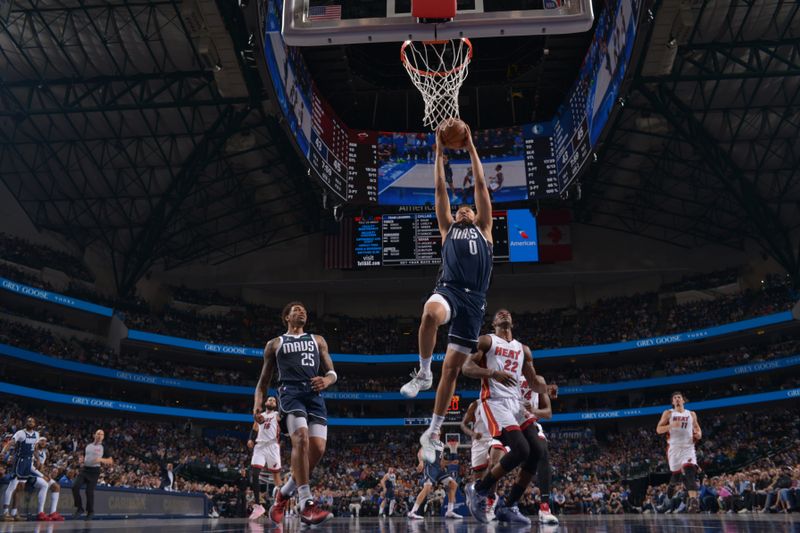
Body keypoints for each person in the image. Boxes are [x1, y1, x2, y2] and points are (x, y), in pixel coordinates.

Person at [399, 121, 496, 463]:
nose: (464, 209)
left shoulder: (485, 229)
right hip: (450, 291)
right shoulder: (447, 229)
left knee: (453, 371)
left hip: (475, 302)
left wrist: (470, 148)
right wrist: (439, 151)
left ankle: (434, 430)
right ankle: (423, 371)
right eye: (460, 209)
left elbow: (481, 184)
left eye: (468, 208)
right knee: (429, 315)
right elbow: (440, 188)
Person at [460, 308, 548, 524]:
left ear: (513, 322)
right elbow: (466, 367)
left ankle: (508, 506)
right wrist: (492, 373)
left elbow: (534, 381)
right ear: (494, 324)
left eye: (507, 313)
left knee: (538, 450)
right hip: (495, 401)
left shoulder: (523, 350)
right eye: (499, 314)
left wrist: (545, 386)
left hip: (516, 404)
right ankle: (478, 490)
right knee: (521, 449)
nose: (504, 314)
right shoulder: (486, 341)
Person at [253, 302, 337, 526]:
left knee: (318, 449)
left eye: (305, 311)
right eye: (296, 310)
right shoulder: (275, 344)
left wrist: (327, 380)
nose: (302, 312)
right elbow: (263, 382)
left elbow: (332, 372)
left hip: (314, 393)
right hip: (290, 393)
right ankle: (306, 503)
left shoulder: (317, 340)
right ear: (286, 317)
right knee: (301, 438)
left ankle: (284, 493)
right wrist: (257, 406)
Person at [518, 375, 559, 525]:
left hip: (530, 425)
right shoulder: (506, 374)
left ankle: (544, 506)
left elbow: (548, 413)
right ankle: (490, 500)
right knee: (496, 457)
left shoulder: (539, 380)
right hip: (508, 423)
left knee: (543, 452)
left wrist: (534, 410)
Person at [461, 399, 506, 520]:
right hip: (479, 442)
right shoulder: (475, 404)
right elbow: (463, 425)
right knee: (479, 482)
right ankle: (477, 498)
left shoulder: (502, 400)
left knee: (495, 464)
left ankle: (492, 498)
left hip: (495, 438)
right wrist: (472, 434)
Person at [656, 391, 702, 508]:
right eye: (675, 398)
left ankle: (693, 500)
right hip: (674, 448)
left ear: (683, 400)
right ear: (672, 402)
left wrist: (698, 434)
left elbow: (697, 429)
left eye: (679, 397)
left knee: (689, 472)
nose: (677, 399)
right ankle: (671, 485)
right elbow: (659, 429)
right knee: (676, 475)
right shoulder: (668, 413)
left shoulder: (691, 414)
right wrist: (671, 425)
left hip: (688, 447)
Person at [247, 396, 282, 520]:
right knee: (255, 474)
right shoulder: (260, 416)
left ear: (276, 404)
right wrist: (251, 439)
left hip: (273, 445)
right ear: (266, 403)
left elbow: (284, 419)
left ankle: (280, 504)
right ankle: (258, 505)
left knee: (277, 478)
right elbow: (254, 428)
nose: (271, 401)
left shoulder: (277, 414)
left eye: (274, 400)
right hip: (260, 445)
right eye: (270, 400)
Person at [1, 417, 39, 521]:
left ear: (35, 424)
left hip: (28, 462)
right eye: (28, 421)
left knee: (21, 487)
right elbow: (10, 443)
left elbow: (34, 448)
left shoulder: (37, 434)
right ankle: (5, 513)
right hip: (19, 461)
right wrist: (3, 452)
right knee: (12, 485)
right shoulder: (20, 433)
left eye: (31, 421)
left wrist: (38, 458)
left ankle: (14, 512)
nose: (29, 422)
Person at [407, 447, 461, 520]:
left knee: (453, 484)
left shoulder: (441, 445)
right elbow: (420, 452)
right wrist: (421, 462)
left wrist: (450, 462)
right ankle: (412, 512)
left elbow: (441, 463)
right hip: (430, 468)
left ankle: (449, 511)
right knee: (427, 488)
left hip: (439, 470)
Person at [72, 429, 113, 520]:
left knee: (89, 492)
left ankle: (90, 511)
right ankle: (79, 508)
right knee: (75, 486)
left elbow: (110, 461)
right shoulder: (88, 446)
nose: (99, 436)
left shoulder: (104, 447)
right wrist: (81, 459)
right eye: (98, 434)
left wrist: (100, 460)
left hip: (94, 471)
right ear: (94, 435)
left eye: (101, 434)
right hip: (85, 470)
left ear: (103, 437)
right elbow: (84, 456)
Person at [31, 438, 64, 521]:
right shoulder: (32, 452)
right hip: (31, 475)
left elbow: (41, 468)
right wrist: (42, 476)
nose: (43, 442)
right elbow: (30, 467)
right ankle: (40, 513)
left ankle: (53, 513)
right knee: (44, 484)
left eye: (45, 441)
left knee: (56, 486)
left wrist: (47, 475)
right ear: (37, 442)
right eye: (41, 440)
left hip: (39, 475)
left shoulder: (44, 454)